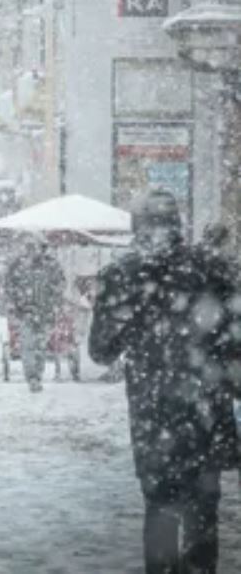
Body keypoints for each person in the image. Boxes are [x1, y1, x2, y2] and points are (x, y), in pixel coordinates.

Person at [90, 189, 241, 574]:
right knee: (204, 505)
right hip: (207, 406)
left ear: (137, 225)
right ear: (178, 222)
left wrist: (132, 322)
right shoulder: (214, 268)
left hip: (153, 412)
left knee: (160, 505)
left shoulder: (120, 275)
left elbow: (100, 351)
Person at [3, 239, 64, 392]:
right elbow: (8, 286)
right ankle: (32, 377)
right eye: (31, 247)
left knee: (40, 347)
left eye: (39, 248)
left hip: (45, 313)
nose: (35, 251)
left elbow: (61, 285)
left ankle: (37, 375)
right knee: (29, 346)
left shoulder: (52, 265)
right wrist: (16, 301)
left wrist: (54, 296)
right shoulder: (17, 265)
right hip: (26, 312)